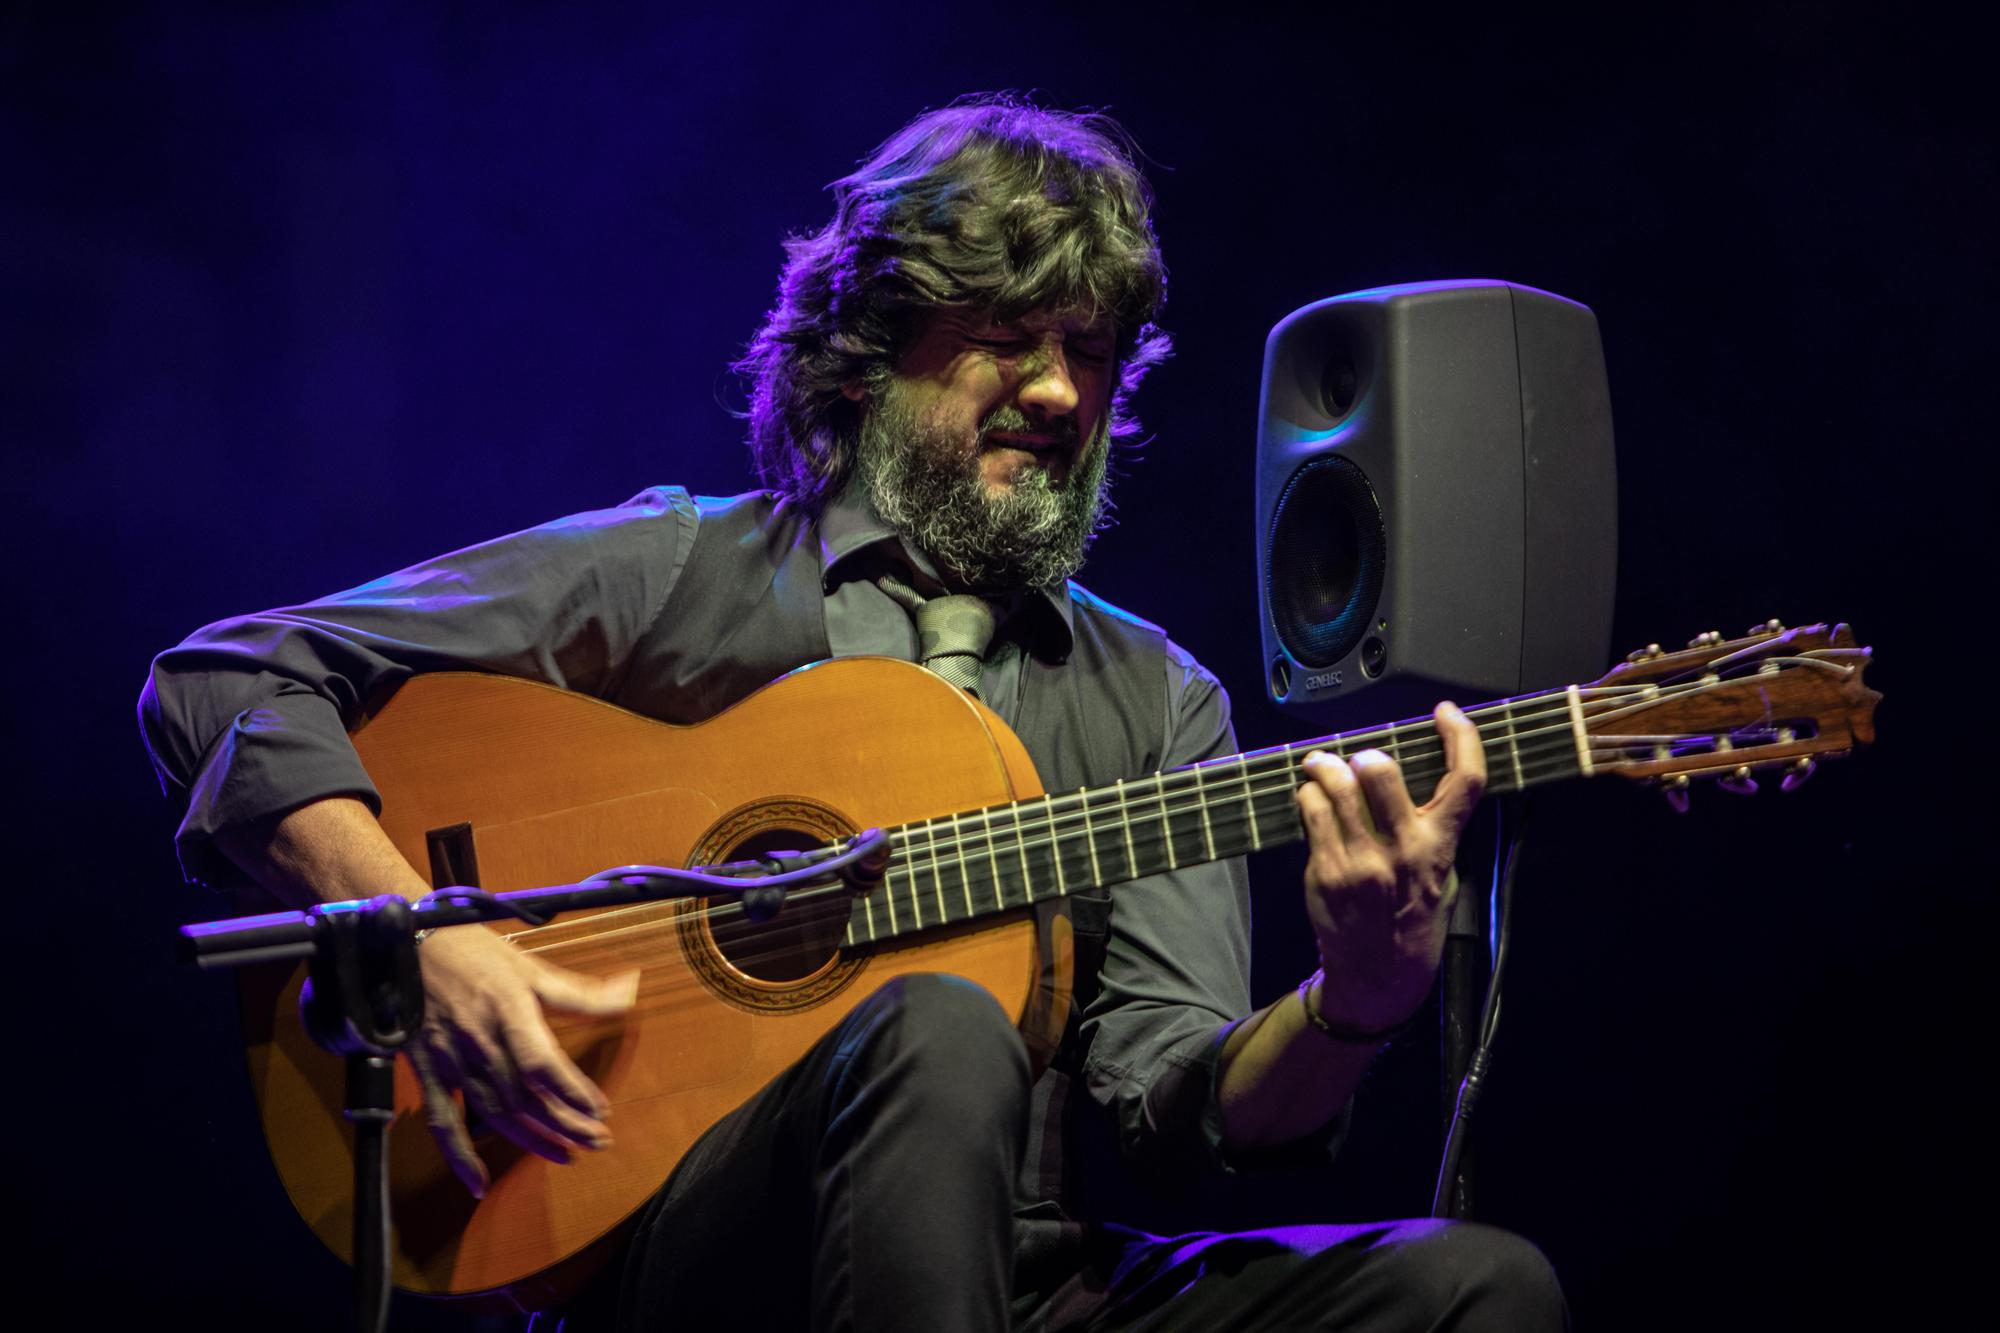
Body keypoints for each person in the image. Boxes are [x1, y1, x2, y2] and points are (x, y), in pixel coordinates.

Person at [140, 95, 1564, 1331]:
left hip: (1028, 1280)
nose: (1061, 390)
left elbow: (1179, 1114)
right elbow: (231, 680)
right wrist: (423, 932)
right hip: (695, 1257)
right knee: (935, 1019)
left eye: (1091, 348)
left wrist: (1358, 1001)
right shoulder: (679, 571)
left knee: (1484, 1288)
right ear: (872, 346)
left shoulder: (1154, 698)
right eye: (1008, 336)